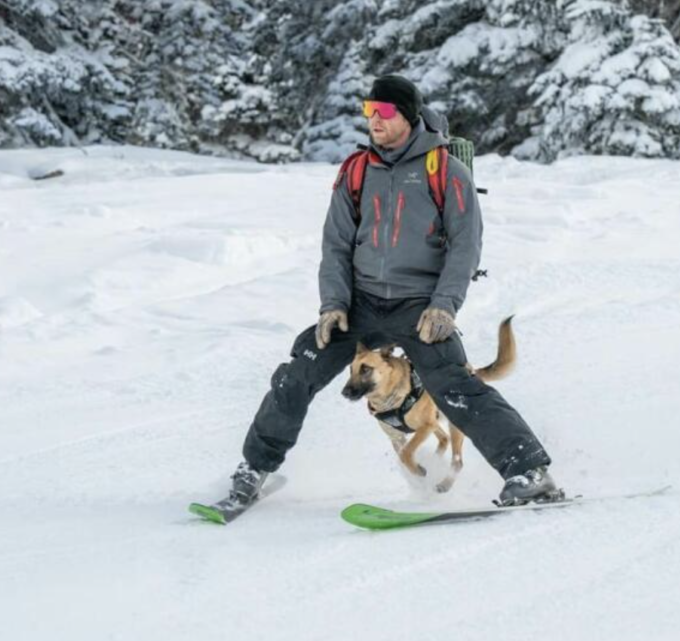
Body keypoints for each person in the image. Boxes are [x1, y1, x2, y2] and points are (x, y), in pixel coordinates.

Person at [228, 75, 557, 506]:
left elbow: (466, 245)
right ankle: (255, 468)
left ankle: (529, 471)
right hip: (359, 306)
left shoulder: (445, 171)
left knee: (456, 385)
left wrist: (444, 305)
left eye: (383, 112)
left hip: (419, 306)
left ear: (407, 115)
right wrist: (333, 305)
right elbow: (336, 243)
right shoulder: (357, 170)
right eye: (369, 110)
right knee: (297, 373)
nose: (373, 120)